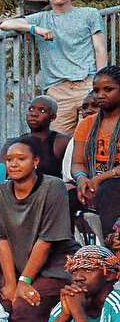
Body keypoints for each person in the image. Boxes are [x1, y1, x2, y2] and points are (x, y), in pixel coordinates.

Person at [0, 137, 75, 322]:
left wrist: (24, 283)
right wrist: (12, 283)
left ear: (36, 161)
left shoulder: (53, 187)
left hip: (57, 268)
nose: (13, 164)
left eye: (21, 159)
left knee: (24, 306)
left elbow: (45, 241)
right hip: (19, 271)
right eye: (9, 160)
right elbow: (1, 240)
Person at [1, 0, 107, 135]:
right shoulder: (41, 18)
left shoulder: (89, 14)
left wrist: (99, 87)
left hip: (87, 85)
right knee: (58, 146)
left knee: (90, 141)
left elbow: (100, 49)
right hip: (58, 91)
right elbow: (5, 24)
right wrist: (36, 29)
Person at [69, 64, 120, 235]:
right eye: (96, 90)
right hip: (93, 180)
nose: (100, 95)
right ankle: (69, 252)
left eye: (108, 89)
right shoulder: (86, 124)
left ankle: (111, 251)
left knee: (108, 190)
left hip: (112, 182)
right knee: (60, 193)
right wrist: (82, 179)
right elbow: (77, 163)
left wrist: (100, 179)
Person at [21, 95, 70, 180]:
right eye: (31, 109)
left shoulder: (62, 142)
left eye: (42, 110)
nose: (34, 114)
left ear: (53, 117)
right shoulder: (15, 143)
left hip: (52, 191)